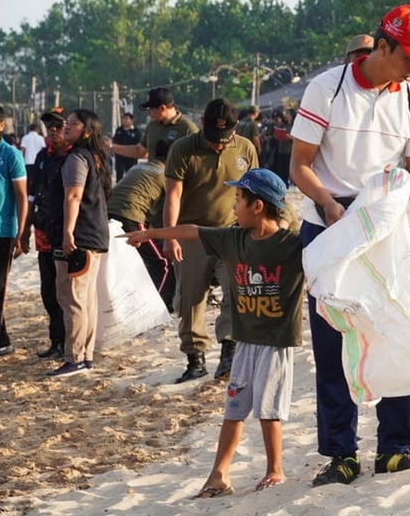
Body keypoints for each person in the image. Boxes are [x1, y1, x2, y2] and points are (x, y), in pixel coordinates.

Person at [289, 3, 410, 486]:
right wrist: (331, 207)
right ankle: (341, 455)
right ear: (383, 46)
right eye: (409, 55)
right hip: (328, 222)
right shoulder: (327, 88)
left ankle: (396, 448)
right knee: (333, 342)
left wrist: (390, 190)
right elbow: (300, 166)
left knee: (397, 327)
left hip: (382, 226)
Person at [121, 168, 303, 498]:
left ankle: (275, 470)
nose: (234, 207)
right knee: (234, 408)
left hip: (276, 344)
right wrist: (153, 234)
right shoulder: (234, 239)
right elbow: (193, 230)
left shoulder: (292, 245)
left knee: (268, 409)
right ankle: (219, 474)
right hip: (245, 341)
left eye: (238, 200)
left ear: (258, 206)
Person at [164, 98, 259, 384]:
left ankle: (228, 352)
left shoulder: (245, 148)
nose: (219, 144)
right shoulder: (183, 148)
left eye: (224, 138)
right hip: (191, 233)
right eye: (213, 138)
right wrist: (170, 236)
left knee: (235, 291)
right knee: (190, 298)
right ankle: (195, 358)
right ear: (202, 124)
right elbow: (173, 195)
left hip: (231, 233)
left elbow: (254, 193)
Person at [45, 108, 112, 377]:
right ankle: (86, 356)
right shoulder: (96, 157)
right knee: (86, 299)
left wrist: (68, 233)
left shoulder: (76, 158)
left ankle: (74, 358)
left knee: (71, 297)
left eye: (73, 124)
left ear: (86, 130)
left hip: (79, 238)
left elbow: (73, 196)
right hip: (94, 236)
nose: (66, 127)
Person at [0, 102, 28, 366]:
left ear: (1, 125)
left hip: (1, 233)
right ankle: (4, 340)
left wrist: (21, 233)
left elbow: (22, 197)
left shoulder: (11, 155)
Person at [107, 139, 175, 311]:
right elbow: (165, 214)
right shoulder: (167, 175)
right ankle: (158, 307)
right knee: (162, 263)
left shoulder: (137, 167)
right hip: (131, 217)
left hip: (108, 214)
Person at [23, 108, 69, 360]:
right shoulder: (42, 157)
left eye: (58, 126)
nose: (53, 130)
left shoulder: (76, 157)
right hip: (43, 233)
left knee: (67, 291)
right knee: (48, 290)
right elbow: (32, 195)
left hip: (68, 232)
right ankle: (56, 340)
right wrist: (25, 230)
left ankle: (72, 341)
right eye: (49, 126)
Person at [111, 87, 198, 166]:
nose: (149, 113)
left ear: (162, 108)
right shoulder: (152, 126)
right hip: (154, 181)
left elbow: (199, 162)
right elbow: (140, 151)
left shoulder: (188, 129)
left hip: (178, 182)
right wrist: (111, 147)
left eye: (150, 110)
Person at [111, 112, 141, 182]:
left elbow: (138, 142)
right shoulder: (119, 130)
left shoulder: (135, 131)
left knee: (131, 175)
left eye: (127, 119)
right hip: (120, 156)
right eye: (123, 119)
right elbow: (115, 141)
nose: (124, 120)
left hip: (131, 157)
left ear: (131, 120)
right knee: (119, 175)